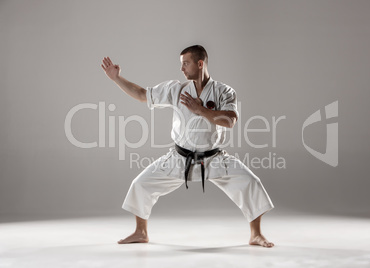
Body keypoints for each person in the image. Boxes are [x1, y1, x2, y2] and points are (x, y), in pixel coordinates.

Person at [101, 45, 275, 248]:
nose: (182, 69)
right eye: (181, 64)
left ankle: (256, 234)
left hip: (213, 158)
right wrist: (117, 79)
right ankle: (141, 232)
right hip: (179, 157)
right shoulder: (176, 89)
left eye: (186, 63)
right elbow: (141, 94)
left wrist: (200, 109)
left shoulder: (224, 91)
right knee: (141, 184)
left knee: (250, 182)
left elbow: (230, 121)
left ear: (200, 64)